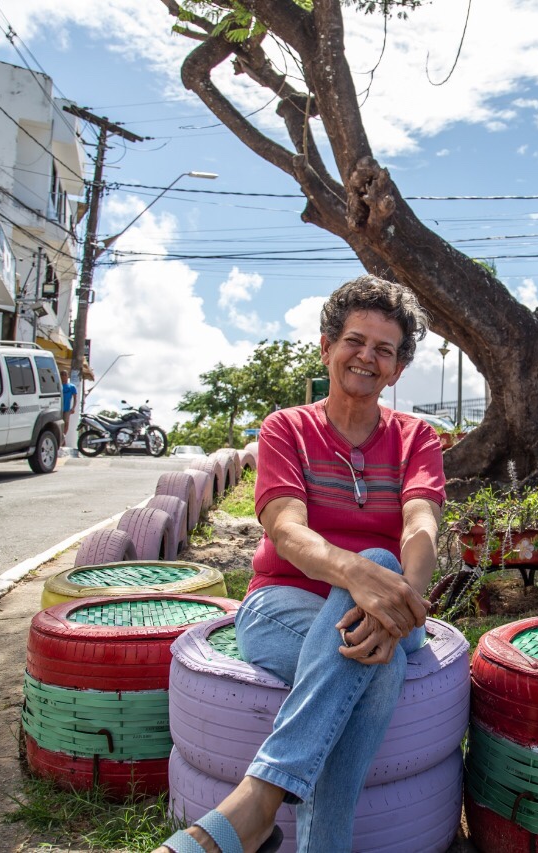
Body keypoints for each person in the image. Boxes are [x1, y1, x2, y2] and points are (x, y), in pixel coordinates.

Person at [158, 275, 445, 853]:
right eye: (355, 340)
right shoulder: (287, 428)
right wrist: (358, 575)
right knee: (374, 664)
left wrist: (399, 601)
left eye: (384, 350)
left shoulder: (418, 438)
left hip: (391, 603)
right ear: (327, 346)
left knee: (380, 574)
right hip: (280, 605)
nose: (367, 356)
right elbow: (286, 531)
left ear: (397, 368)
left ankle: (254, 807)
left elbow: (421, 524)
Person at [59, 370, 77, 447]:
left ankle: (63, 438)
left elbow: (75, 398)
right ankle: (61, 439)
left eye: (65, 374)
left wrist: (73, 408)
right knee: (59, 424)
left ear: (67, 376)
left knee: (66, 423)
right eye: (62, 374)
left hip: (67, 409)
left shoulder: (71, 387)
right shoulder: (59, 386)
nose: (63, 376)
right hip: (58, 409)